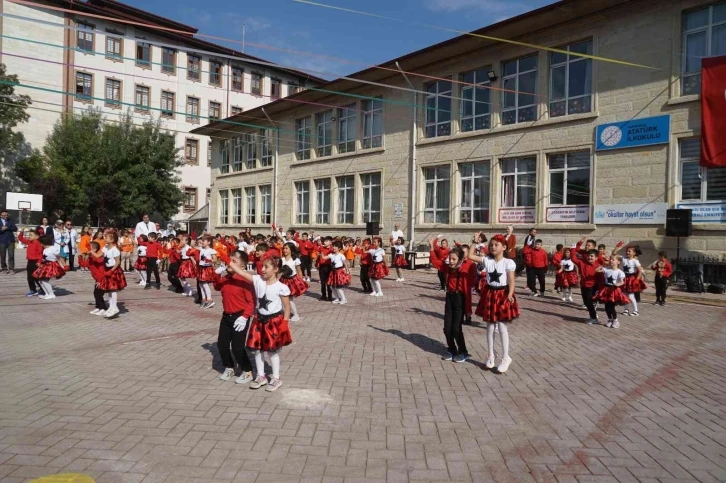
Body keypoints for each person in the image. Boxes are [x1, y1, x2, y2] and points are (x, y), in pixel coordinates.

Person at [228, 255, 292, 392]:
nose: (262, 269)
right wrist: (226, 259)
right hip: (258, 320)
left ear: (275, 269)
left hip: (273, 322)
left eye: (266, 267)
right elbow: (241, 272)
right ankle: (261, 376)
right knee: (257, 350)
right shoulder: (258, 280)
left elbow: (287, 307)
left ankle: (276, 378)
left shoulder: (281, 287)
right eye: (262, 266)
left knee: (272, 351)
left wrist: (285, 322)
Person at [468, 234, 520, 373]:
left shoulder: (508, 262)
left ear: (504, 247)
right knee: (490, 326)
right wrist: (474, 242)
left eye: (496, 244)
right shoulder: (487, 260)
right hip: (490, 294)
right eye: (491, 244)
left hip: (502, 294)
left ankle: (505, 357)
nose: (492, 247)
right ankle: (491, 355)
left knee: (502, 326)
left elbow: (511, 280)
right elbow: (470, 256)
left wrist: (510, 294)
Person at [215, 251, 256, 384]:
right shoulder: (226, 278)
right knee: (222, 345)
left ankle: (247, 370)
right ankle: (229, 366)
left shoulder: (245, 280)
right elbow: (216, 287)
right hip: (226, 316)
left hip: (240, 317)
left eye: (233, 261)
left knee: (238, 347)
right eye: (229, 260)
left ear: (242, 267)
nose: (229, 263)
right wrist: (216, 274)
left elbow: (252, 302)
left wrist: (245, 317)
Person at [440, 247, 471, 363]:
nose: (451, 261)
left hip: (459, 299)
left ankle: (463, 352)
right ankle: (452, 349)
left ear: (460, 260)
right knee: (447, 328)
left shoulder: (463, 273)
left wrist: (468, 311)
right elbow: (437, 261)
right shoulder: (447, 269)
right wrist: (433, 247)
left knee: (456, 329)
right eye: (450, 259)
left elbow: (467, 294)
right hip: (449, 298)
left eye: (454, 259)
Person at [593, 255, 630, 328]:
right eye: (610, 259)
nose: (611, 261)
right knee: (606, 307)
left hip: (614, 290)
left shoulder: (620, 272)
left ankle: (615, 320)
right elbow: (596, 270)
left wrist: (618, 284)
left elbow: (622, 282)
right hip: (606, 290)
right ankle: (610, 319)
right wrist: (603, 264)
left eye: (613, 259)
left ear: (618, 262)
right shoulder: (607, 269)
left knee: (611, 307)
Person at [99, 231, 127, 318]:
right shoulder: (106, 248)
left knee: (113, 289)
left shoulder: (115, 250)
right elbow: (99, 255)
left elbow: (118, 262)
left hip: (113, 270)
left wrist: (111, 271)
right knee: (109, 290)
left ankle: (114, 307)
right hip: (107, 269)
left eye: (106, 237)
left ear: (112, 240)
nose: (105, 239)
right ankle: (111, 307)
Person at [573, 238, 600, 324]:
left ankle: (594, 318)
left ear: (596, 258)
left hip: (592, 286)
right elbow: (574, 259)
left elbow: (602, 277)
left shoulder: (598, 266)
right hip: (584, 285)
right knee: (586, 302)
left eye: (592, 256)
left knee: (589, 302)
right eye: (588, 256)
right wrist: (573, 248)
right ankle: (592, 316)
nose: (589, 257)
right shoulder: (582, 263)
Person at [615, 244, 646, 316]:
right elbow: (614, 254)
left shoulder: (635, 261)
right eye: (627, 251)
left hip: (631, 278)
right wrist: (617, 247)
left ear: (634, 253)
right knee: (624, 295)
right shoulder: (624, 258)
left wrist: (637, 280)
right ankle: (626, 309)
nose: (627, 252)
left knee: (631, 296)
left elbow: (640, 271)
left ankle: (636, 310)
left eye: (629, 251)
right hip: (625, 278)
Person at [33, 234, 66, 300]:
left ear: (43, 243)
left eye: (40, 243)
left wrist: (65, 265)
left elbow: (60, 257)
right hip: (45, 265)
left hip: (51, 266)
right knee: (41, 281)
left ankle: (51, 294)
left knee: (44, 280)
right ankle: (47, 293)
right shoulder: (45, 249)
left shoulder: (53, 248)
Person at [280, 243, 308, 321]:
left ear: (291, 250)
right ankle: (285, 313)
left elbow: (299, 271)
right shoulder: (281, 260)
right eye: (284, 248)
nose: (284, 250)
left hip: (292, 281)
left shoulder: (295, 260)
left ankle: (296, 314)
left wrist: (301, 281)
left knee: (290, 299)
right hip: (283, 280)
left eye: (286, 248)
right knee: (282, 298)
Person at [17, 229, 44, 296]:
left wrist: (39, 261)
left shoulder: (37, 243)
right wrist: (22, 232)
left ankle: (43, 289)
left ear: (37, 236)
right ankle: (33, 290)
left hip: (36, 262)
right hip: (30, 262)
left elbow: (41, 253)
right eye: (29, 235)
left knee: (36, 277)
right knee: (29, 277)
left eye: (31, 235)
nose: (29, 236)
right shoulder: (29, 242)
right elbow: (20, 238)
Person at [88, 241, 109, 316]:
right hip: (97, 279)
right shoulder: (91, 258)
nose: (88, 249)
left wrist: (100, 280)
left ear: (94, 249)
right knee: (96, 293)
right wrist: (80, 257)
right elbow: (85, 264)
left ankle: (103, 308)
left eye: (89, 247)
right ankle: (98, 307)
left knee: (98, 294)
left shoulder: (99, 258)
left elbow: (101, 270)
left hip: (102, 279)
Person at [197, 235, 218, 308]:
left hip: (207, 268)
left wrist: (210, 260)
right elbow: (193, 245)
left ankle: (209, 300)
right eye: (202, 241)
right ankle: (204, 299)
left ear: (208, 242)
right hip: (201, 267)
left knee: (205, 284)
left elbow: (215, 259)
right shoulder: (201, 249)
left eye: (204, 241)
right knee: (200, 284)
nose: (202, 242)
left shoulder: (211, 250)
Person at [315, 236, 334, 302]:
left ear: (330, 242)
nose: (325, 242)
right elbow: (319, 256)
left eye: (326, 241)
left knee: (329, 282)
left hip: (329, 267)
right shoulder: (321, 248)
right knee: (322, 282)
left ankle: (330, 296)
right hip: (322, 266)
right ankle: (323, 295)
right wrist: (317, 263)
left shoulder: (332, 249)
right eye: (324, 241)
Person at [0, 210, 18, 274]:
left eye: (6, 215)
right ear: (1, 215)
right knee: (2, 256)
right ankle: (4, 268)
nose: (5, 216)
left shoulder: (10, 220)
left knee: (11, 255)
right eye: (4, 215)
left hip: (11, 241)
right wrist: (1, 230)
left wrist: (7, 227)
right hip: (2, 241)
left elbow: (15, 228)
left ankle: (11, 268)